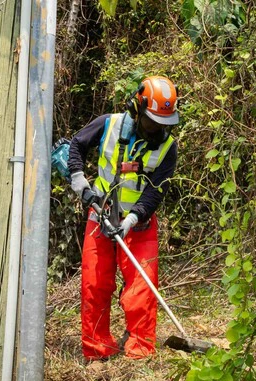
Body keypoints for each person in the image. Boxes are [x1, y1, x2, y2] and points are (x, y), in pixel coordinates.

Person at [66, 75, 180, 362]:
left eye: (165, 124)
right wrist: (79, 178)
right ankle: (97, 350)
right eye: (154, 122)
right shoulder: (110, 124)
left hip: (138, 225)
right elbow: (76, 145)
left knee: (142, 288)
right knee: (95, 284)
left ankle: (139, 352)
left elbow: (156, 191)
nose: (159, 130)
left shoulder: (168, 148)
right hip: (100, 216)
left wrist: (133, 218)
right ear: (138, 110)